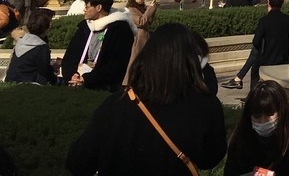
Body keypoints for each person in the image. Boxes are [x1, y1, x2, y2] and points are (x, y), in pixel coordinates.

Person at [66, 23, 227, 175]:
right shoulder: (206, 105)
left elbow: (79, 163)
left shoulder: (116, 105)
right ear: (193, 61)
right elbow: (210, 159)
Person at [224, 80, 289, 176]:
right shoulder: (241, 138)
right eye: (257, 116)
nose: (263, 121)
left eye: (269, 114)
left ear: (281, 111)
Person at [223, 0, 289, 90]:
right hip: (283, 57)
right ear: (281, 5)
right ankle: (239, 79)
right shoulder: (288, 19)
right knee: (256, 52)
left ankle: (248, 90)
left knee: (254, 66)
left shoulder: (264, 20)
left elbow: (255, 41)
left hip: (267, 58)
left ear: (269, 4)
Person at [61, 0, 135, 91]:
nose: (84, 10)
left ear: (98, 7)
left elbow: (116, 64)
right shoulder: (84, 27)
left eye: (87, 7)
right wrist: (71, 75)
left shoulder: (120, 29)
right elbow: (70, 56)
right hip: (76, 83)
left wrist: (87, 79)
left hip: (104, 88)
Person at [4, 7, 59, 85]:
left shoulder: (20, 42)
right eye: (49, 22)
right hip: (29, 85)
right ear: (43, 24)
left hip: (11, 83)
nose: (51, 25)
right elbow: (44, 71)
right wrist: (57, 81)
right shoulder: (41, 47)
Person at [124, 0, 158, 85]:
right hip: (138, 40)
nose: (143, 0)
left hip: (145, 38)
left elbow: (149, 22)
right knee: (134, 62)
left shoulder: (140, 8)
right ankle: (127, 83)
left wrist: (152, 9)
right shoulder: (130, 9)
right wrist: (150, 10)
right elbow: (140, 22)